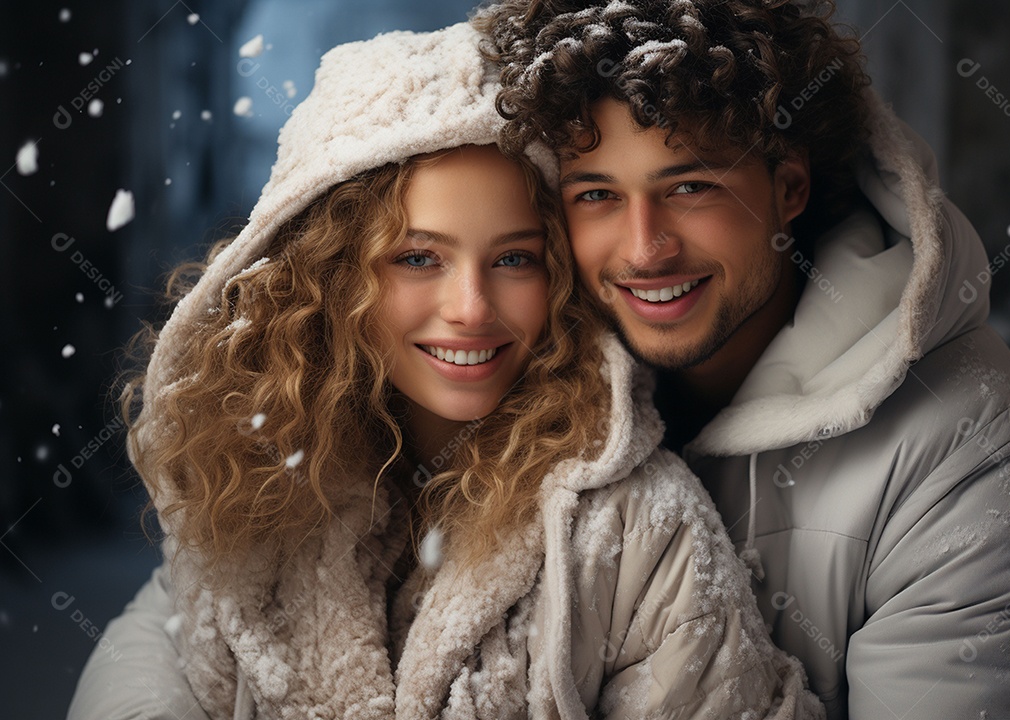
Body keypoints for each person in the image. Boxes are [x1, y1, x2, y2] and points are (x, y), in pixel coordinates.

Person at [67, 22, 824, 720]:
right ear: (331, 277)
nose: (470, 307)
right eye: (418, 258)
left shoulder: (637, 532)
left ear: (557, 275)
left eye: (514, 259)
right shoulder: (255, 493)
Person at [475, 0, 1010, 717]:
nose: (644, 248)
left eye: (690, 187)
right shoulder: (512, 390)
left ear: (789, 186)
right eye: (598, 194)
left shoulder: (976, 468)